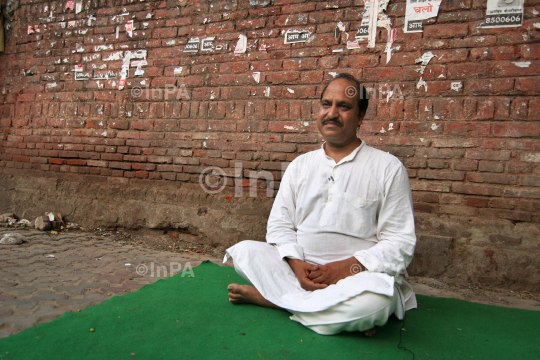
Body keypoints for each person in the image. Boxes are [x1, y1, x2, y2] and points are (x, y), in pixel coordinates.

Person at [223, 73, 417, 336]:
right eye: (326, 104)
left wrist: (344, 269)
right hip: (301, 270)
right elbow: (279, 225)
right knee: (244, 253)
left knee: (376, 302)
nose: (332, 113)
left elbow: (400, 242)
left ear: (360, 117)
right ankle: (333, 312)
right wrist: (295, 263)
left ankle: (273, 299)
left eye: (344, 107)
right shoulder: (300, 165)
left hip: (356, 277)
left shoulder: (388, 168)